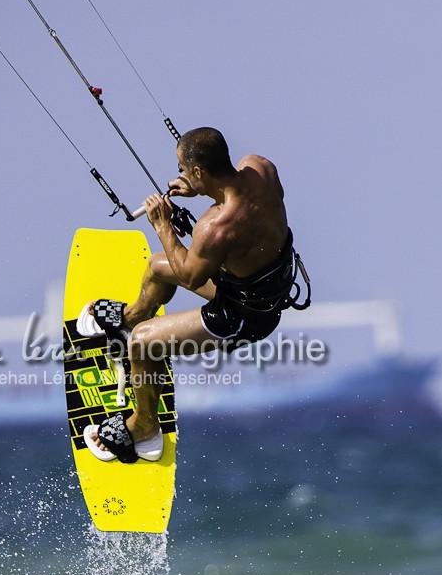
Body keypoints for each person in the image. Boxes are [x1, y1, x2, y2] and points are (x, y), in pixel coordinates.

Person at [77, 127, 308, 462]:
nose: (180, 176)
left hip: (244, 316)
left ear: (199, 170)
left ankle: (143, 427)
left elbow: (189, 273)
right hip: (261, 287)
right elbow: (243, 210)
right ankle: (130, 317)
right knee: (158, 267)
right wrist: (202, 189)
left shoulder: (217, 227)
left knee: (142, 342)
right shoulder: (261, 167)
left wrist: (162, 225)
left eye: (184, 170)